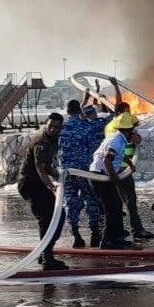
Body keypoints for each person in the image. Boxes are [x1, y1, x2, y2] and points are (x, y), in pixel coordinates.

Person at [18, 113, 69, 270]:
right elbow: (40, 169)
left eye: (57, 127)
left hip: (38, 182)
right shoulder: (41, 142)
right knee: (48, 218)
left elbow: (47, 166)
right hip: (31, 182)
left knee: (58, 215)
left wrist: (60, 175)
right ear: (45, 124)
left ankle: (45, 252)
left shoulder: (53, 139)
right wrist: (52, 187)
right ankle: (47, 257)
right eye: (50, 126)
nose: (53, 129)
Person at [59, 101, 104, 247]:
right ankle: (95, 232)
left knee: (71, 201)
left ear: (67, 111)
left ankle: (76, 233)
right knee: (91, 199)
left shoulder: (61, 127)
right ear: (80, 111)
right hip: (85, 170)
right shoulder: (87, 125)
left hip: (67, 171)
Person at [90, 114, 135, 248]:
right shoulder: (116, 141)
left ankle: (117, 237)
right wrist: (114, 177)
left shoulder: (119, 140)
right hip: (100, 177)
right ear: (128, 130)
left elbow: (118, 155)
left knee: (116, 205)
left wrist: (129, 163)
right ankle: (107, 241)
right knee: (111, 208)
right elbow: (107, 160)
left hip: (104, 175)